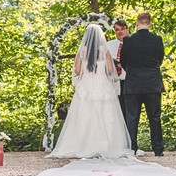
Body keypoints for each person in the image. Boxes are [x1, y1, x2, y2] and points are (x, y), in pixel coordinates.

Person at [49, 25, 133, 159]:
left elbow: (76, 71)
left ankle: (81, 145)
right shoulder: (104, 50)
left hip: (86, 86)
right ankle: (106, 145)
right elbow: (110, 71)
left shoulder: (82, 51)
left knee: (83, 115)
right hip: (102, 85)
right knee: (105, 115)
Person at [120, 12, 164, 157]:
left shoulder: (128, 41)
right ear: (150, 24)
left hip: (133, 83)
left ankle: (132, 147)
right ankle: (158, 149)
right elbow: (160, 59)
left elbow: (124, 61)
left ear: (136, 23)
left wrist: (134, 71)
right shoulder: (157, 40)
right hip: (153, 83)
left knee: (132, 118)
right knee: (155, 117)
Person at [105, 20, 129, 118]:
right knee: (116, 112)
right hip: (113, 82)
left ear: (127, 29)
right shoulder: (108, 45)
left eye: (122, 29)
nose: (120, 32)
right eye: (117, 30)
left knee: (129, 112)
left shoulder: (134, 43)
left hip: (129, 81)